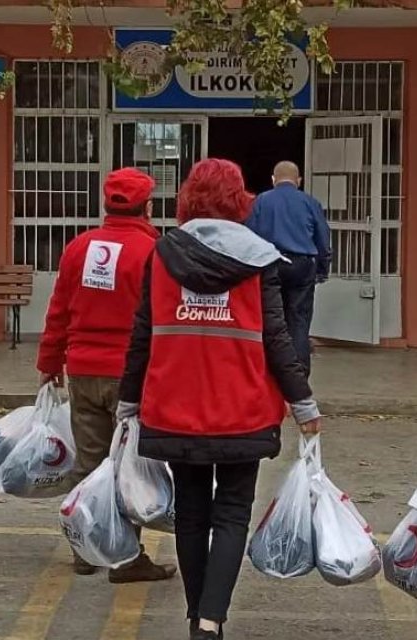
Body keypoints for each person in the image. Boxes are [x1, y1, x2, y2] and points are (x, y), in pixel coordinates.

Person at [119, 158, 322, 640]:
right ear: (239, 201)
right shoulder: (260, 259)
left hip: (176, 406)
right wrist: (303, 403)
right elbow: (277, 338)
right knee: (231, 513)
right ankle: (211, 621)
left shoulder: (162, 254)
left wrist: (128, 401)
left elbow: (143, 334)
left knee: (191, 513)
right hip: (242, 409)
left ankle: (197, 616)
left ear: (188, 198)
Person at [37, 167, 177, 583]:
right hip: (131, 376)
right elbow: (162, 319)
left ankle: (85, 551)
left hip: (82, 370)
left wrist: (49, 363)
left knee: (89, 464)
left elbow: (58, 310)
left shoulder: (79, 247)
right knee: (127, 468)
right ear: (147, 207)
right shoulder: (154, 252)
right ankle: (126, 560)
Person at [245, 160, 332, 373]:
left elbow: (249, 235)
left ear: (273, 179)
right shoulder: (310, 202)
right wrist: (322, 269)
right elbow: (323, 239)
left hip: (269, 264)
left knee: (269, 319)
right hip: (302, 266)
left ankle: (268, 371)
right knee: (298, 321)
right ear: (298, 180)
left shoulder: (260, 201)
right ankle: (298, 373)